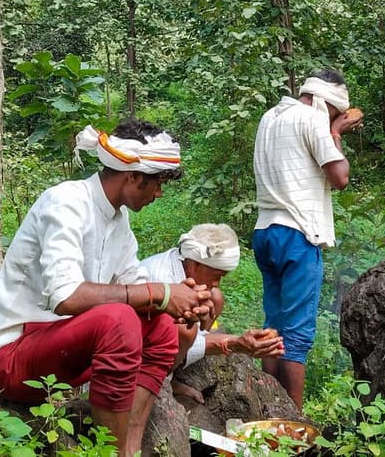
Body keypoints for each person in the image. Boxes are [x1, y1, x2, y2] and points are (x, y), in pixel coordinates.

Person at [0, 119, 215, 456]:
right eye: (157, 183)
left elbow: (136, 285)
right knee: (118, 320)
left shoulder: (118, 222)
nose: (159, 193)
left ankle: (127, 449)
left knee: (161, 326)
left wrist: (183, 301)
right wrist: (159, 294)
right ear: (133, 177)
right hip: (15, 358)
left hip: (64, 352)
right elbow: (66, 296)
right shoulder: (65, 202)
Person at [251, 69, 362, 410]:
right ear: (323, 102)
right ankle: (295, 422)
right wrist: (335, 132)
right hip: (297, 236)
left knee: (273, 327)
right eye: (334, 113)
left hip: (264, 231)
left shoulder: (269, 117)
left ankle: (265, 410)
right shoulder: (315, 120)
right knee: (296, 335)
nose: (336, 119)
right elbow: (340, 177)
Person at [139, 224, 285, 402]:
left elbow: (195, 337)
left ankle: (172, 375)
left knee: (215, 297)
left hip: (163, 340)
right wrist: (235, 343)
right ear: (195, 265)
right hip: (139, 349)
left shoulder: (183, 265)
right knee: (185, 330)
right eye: (216, 275)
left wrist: (237, 342)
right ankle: (160, 381)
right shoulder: (163, 277)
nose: (217, 283)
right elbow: (176, 336)